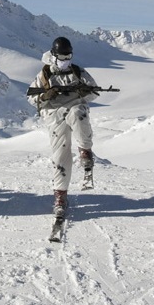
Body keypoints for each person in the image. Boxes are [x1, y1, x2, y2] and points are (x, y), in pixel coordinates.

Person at [27, 36, 100, 219]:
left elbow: (96, 91)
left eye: (68, 57)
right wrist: (45, 96)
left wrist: (85, 91)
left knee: (78, 113)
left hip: (75, 108)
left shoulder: (77, 71)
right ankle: (60, 196)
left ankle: (85, 151)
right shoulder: (44, 75)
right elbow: (30, 97)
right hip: (54, 116)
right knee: (60, 157)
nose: (66, 61)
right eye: (62, 57)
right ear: (53, 55)